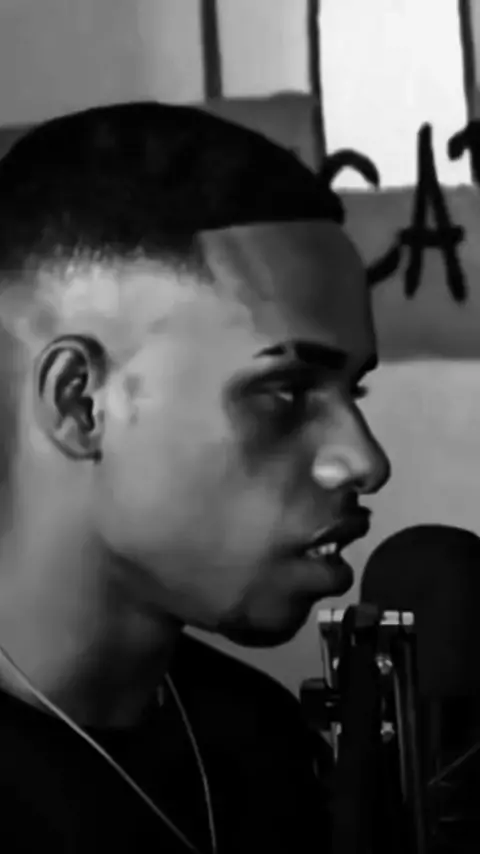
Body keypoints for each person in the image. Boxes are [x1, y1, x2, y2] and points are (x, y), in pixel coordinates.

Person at [0, 101, 390, 853]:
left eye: (354, 393)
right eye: (285, 393)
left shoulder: (263, 741)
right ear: (81, 403)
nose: (365, 461)